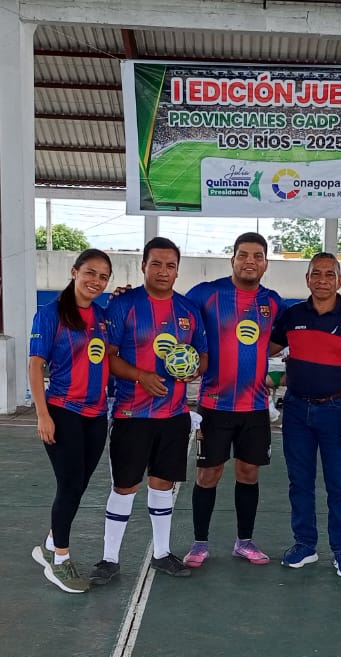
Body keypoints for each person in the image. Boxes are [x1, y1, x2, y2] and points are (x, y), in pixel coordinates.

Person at [88, 237, 208, 585]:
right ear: (143, 266)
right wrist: (141, 375)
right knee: (125, 487)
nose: (163, 271)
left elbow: (203, 356)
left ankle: (162, 553)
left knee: (162, 484)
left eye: (170, 265)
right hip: (132, 415)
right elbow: (108, 358)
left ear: (177, 270)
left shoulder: (188, 311)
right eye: (156, 263)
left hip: (173, 416)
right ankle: (109, 559)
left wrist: (193, 369)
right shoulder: (123, 305)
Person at [181, 232, 284, 567]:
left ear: (265, 263)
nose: (250, 261)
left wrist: (262, 358)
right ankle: (199, 544)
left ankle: (245, 542)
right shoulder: (206, 293)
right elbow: (173, 310)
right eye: (243, 255)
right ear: (233, 259)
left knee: (248, 472)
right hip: (214, 406)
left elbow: (284, 338)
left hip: (254, 408)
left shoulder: (273, 302)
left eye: (257, 256)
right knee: (207, 475)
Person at [270, 252, 341, 576]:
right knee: (299, 482)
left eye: (330, 275)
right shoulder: (292, 316)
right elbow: (264, 348)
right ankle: (305, 545)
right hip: (296, 410)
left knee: (339, 485)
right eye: (316, 274)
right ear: (307, 279)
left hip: (337, 412)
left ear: (339, 281)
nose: (323, 280)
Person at [27, 249, 114, 593]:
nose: (96, 281)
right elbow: (36, 366)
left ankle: (52, 539)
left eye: (104, 277)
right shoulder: (50, 314)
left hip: (97, 414)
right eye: (90, 273)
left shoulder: (103, 317)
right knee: (69, 484)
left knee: (79, 484)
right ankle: (60, 559)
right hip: (63, 411)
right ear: (75, 272)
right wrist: (43, 414)